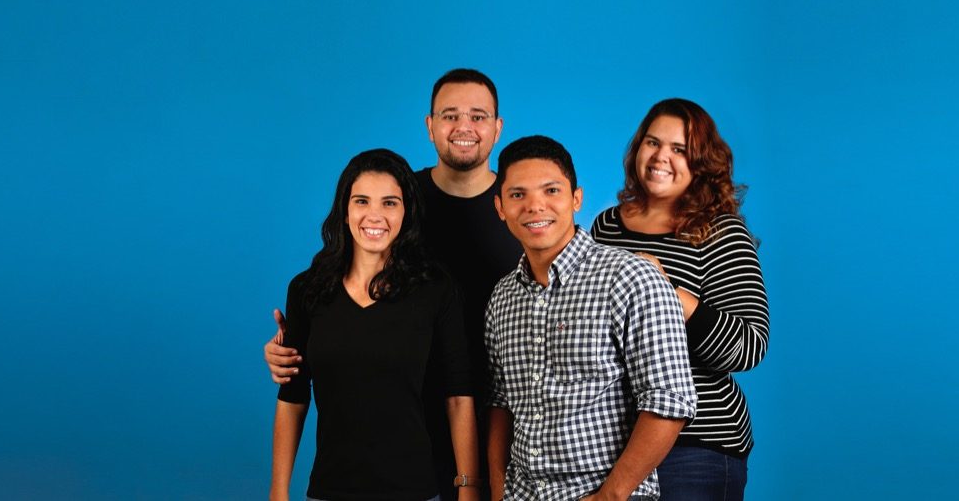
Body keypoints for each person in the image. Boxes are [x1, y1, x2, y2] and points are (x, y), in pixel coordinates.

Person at [266, 69, 518, 499]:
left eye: (478, 116)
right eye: (450, 114)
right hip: (392, 430)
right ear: (430, 125)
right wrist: (287, 352)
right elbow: (302, 374)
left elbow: (567, 273)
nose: (464, 127)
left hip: (497, 421)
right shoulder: (401, 188)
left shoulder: (520, 206)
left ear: (497, 128)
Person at [485, 136, 696, 501]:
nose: (535, 206)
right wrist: (498, 490)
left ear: (576, 199)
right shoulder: (503, 297)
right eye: (518, 195)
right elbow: (501, 402)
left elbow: (670, 401)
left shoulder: (630, 279)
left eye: (551, 190)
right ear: (500, 207)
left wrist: (609, 496)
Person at [270, 149, 481, 501]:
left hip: (415, 490)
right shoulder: (308, 290)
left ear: (406, 212)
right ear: (345, 209)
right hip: (330, 489)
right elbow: (292, 397)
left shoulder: (435, 289)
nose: (375, 215)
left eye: (389, 203)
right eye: (362, 201)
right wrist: (278, 492)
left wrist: (468, 488)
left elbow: (458, 397)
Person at [590, 100, 768, 501]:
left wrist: (671, 296)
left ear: (701, 162)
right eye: (653, 143)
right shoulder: (607, 226)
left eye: (679, 149)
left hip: (697, 444)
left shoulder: (721, 232)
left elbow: (750, 347)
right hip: (616, 444)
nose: (661, 157)